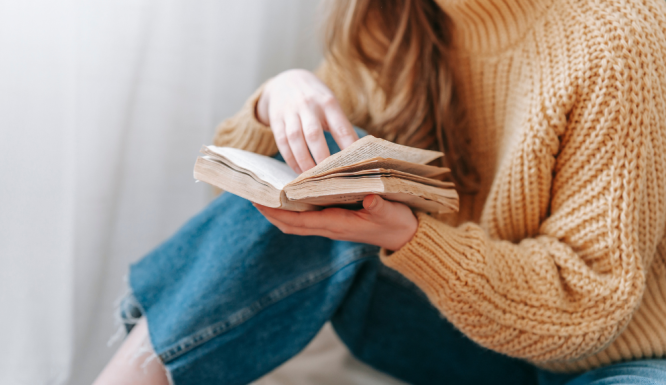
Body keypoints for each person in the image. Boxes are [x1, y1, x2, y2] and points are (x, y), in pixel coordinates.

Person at [94, 0, 666, 384]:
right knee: (314, 171)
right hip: (464, 342)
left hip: (618, 358)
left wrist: (411, 239)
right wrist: (279, 98)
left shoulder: (618, 31)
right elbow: (247, 210)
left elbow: (589, 305)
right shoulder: (390, 18)